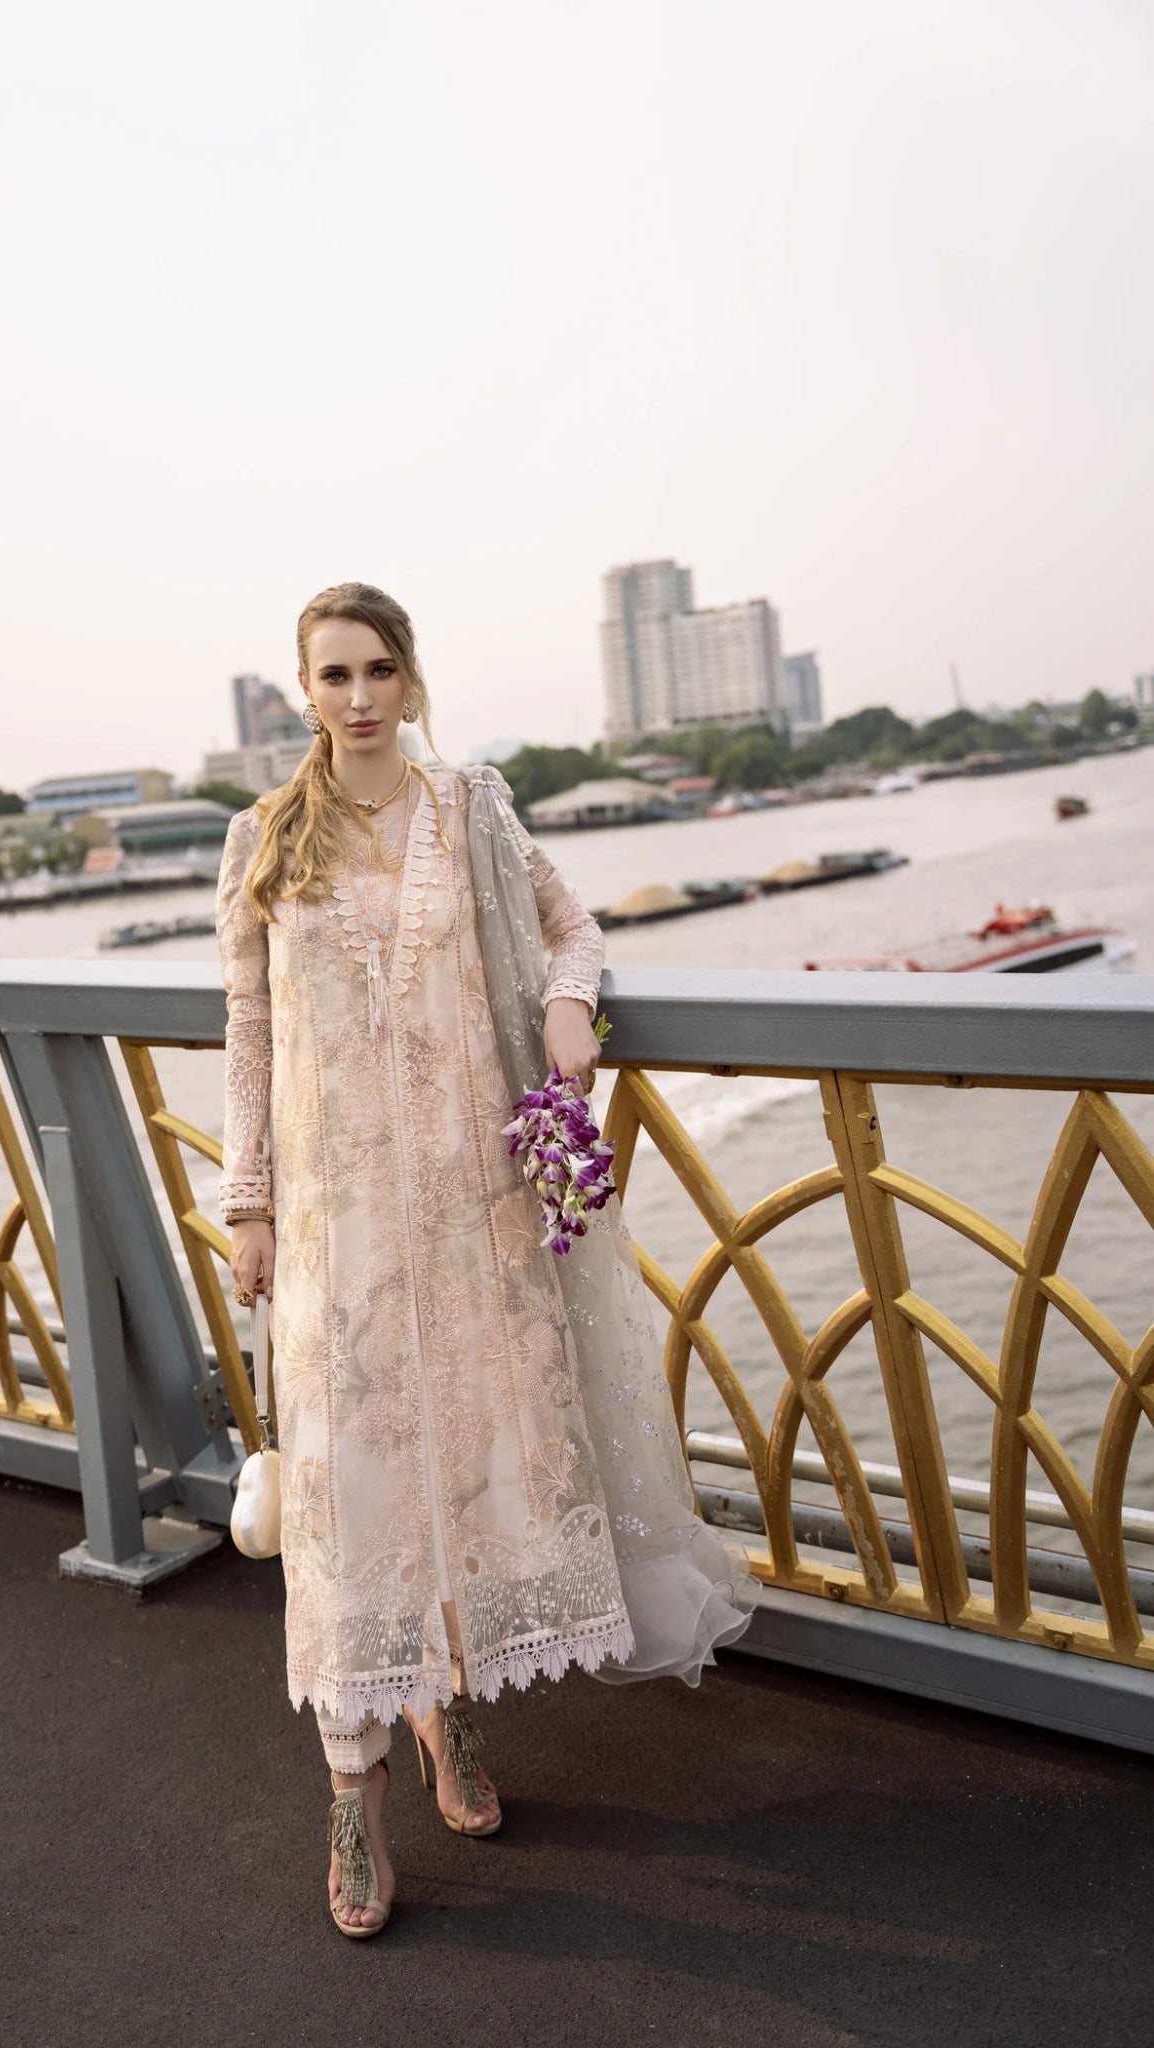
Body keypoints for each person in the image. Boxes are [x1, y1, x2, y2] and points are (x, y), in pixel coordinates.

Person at [215, 582, 755, 1939]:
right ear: (303, 690)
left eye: (377, 669)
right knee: (350, 1515)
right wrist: (250, 1205)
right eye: (332, 674)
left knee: (460, 1479)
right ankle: (353, 1794)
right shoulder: (261, 841)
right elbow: (248, 1040)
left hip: (476, 1217)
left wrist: (570, 1004)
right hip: (340, 1240)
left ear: (409, 677)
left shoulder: (471, 813)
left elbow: (571, 927)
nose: (357, 697)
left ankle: (444, 1713)